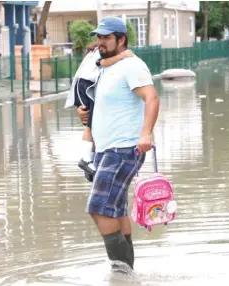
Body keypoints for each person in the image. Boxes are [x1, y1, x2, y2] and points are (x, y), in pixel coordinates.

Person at [75, 16, 159, 271]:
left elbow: (152, 99)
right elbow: (103, 103)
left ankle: (120, 271)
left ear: (121, 40)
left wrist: (146, 134)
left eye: (106, 38)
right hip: (105, 149)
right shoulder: (105, 67)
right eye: (98, 37)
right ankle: (128, 271)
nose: (100, 42)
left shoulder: (132, 66)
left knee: (98, 209)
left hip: (124, 149)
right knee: (116, 209)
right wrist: (83, 113)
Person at [64, 41, 135, 182]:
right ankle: (86, 159)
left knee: (92, 125)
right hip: (86, 85)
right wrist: (123, 56)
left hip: (83, 84)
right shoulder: (100, 53)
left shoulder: (95, 52)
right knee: (90, 125)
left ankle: (89, 160)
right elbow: (102, 63)